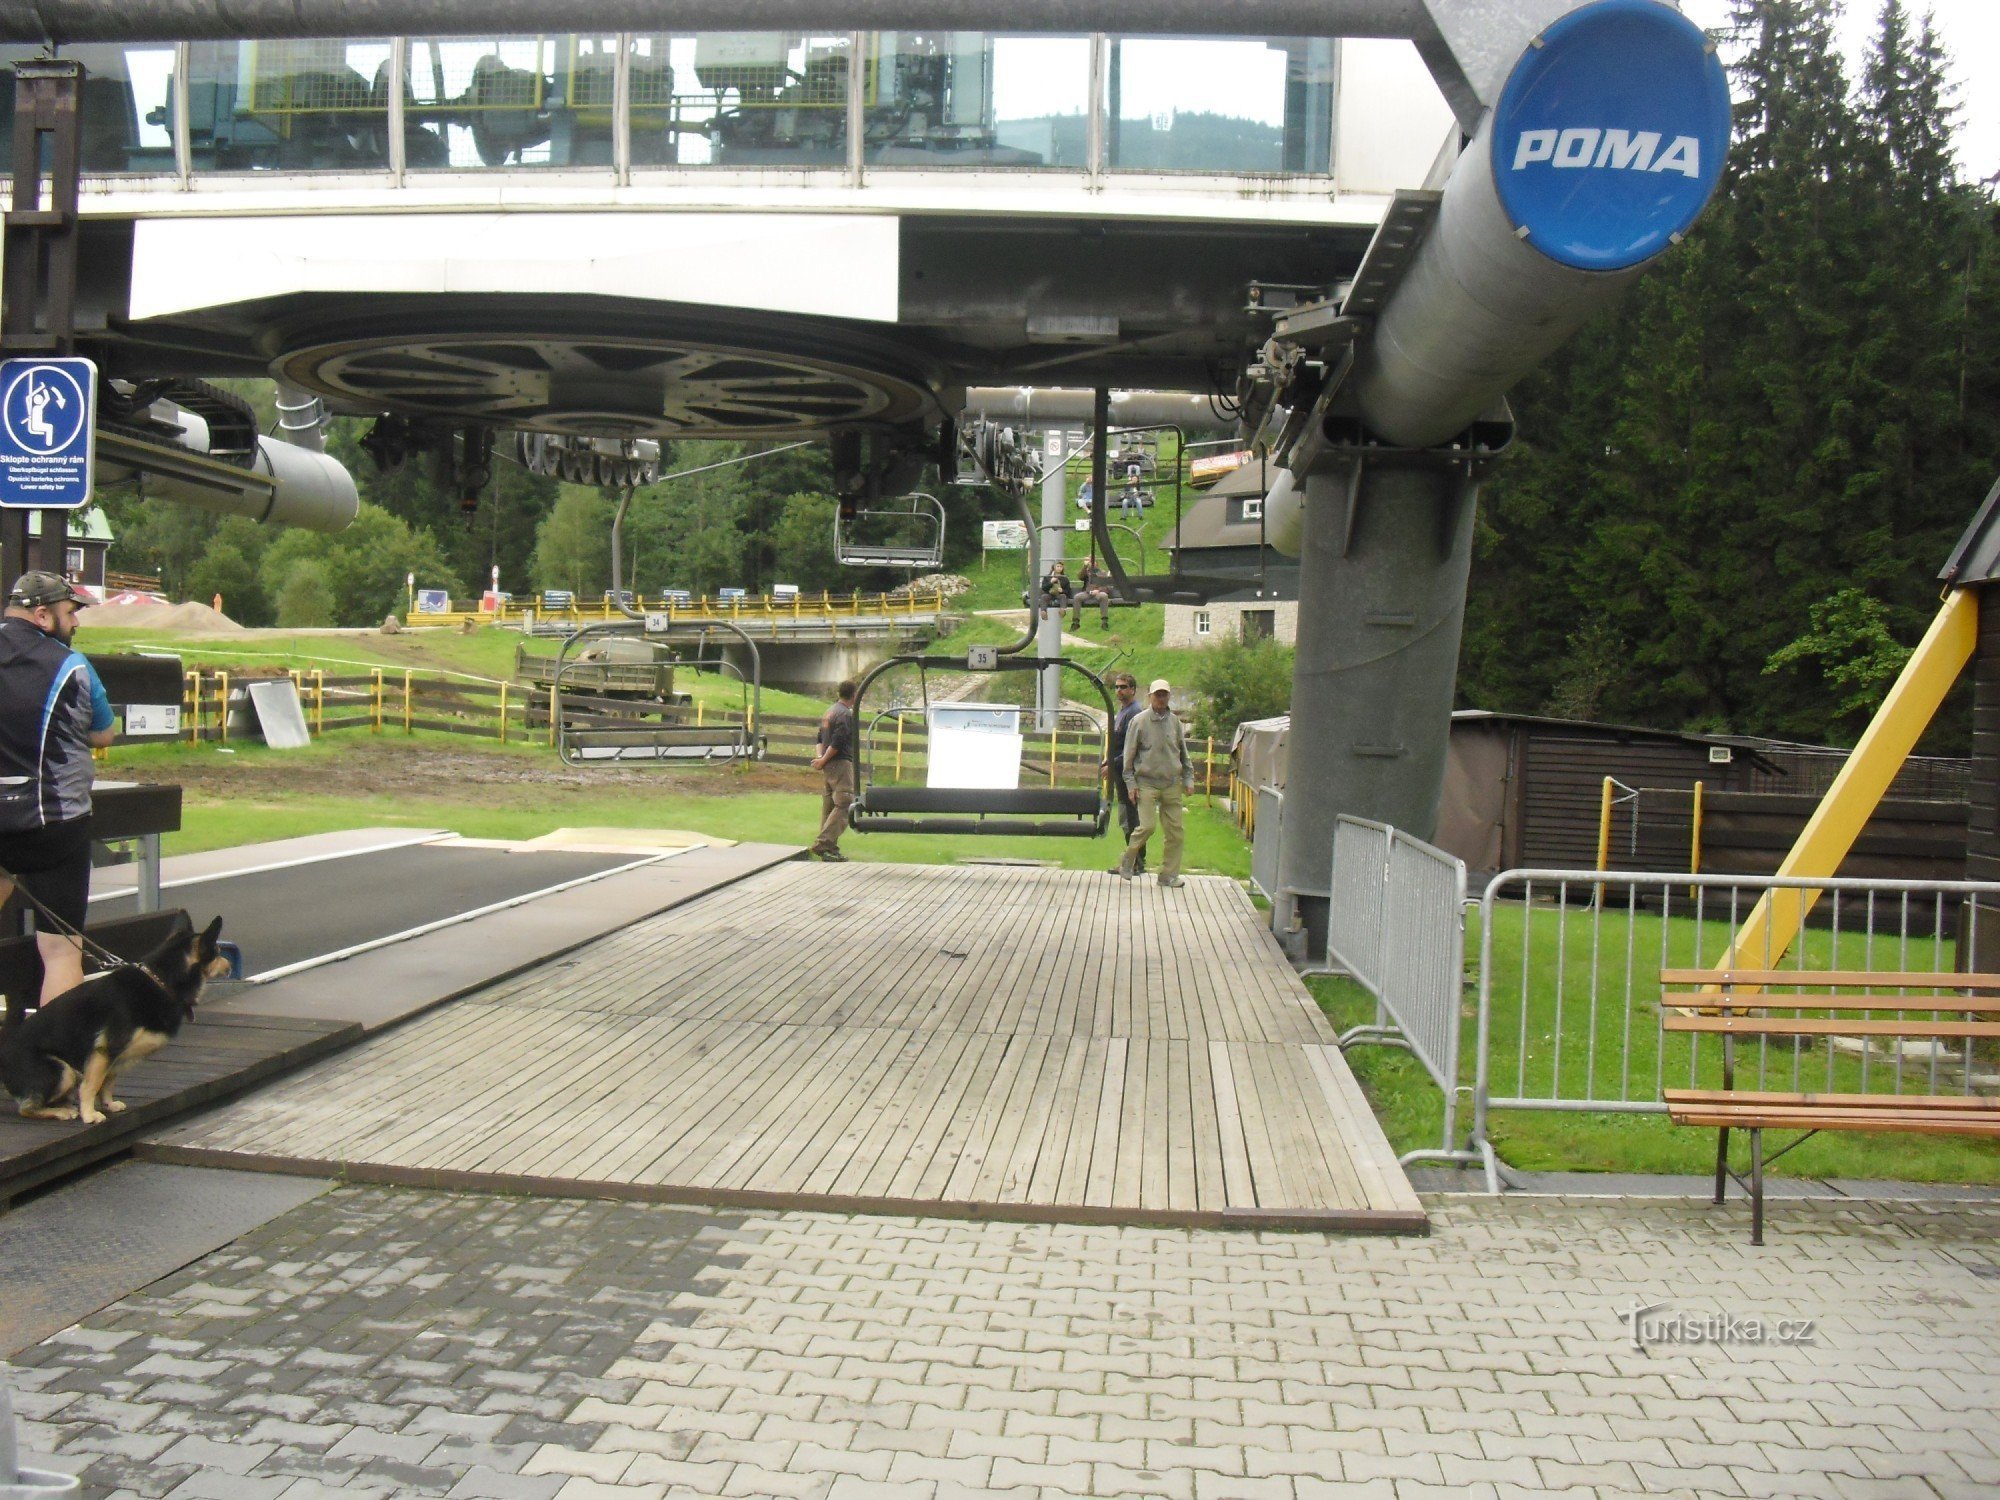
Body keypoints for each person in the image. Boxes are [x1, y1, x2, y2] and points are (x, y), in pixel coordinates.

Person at [0, 571, 116, 1007]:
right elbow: (104, 735)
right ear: (44, 616)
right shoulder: (72, 667)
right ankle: (52, 1059)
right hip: (54, 826)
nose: (77, 624)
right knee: (62, 952)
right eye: (71, 613)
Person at [1116, 678, 1195, 888]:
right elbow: (1128, 756)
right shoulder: (1139, 721)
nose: (1161, 698)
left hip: (1171, 783)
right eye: (1157, 694)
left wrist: (1188, 778)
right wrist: (1131, 784)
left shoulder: (1175, 723)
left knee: (1176, 832)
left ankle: (1168, 875)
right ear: (1150, 696)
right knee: (1148, 826)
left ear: (1169, 696)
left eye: (1164, 694)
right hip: (1146, 783)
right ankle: (1128, 857)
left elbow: (1184, 754)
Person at [809, 679, 858, 862]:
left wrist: (821, 759)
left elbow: (820, 737)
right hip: (840, 763)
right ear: (853, 695)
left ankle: (829, 849)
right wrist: (825, 759)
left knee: (829, 806)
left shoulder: (829, 712)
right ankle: (824, 843)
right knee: (845, 803)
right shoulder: (845, 714)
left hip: (828, 765)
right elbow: (838, 742)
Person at [1102, 673, 1145, 875]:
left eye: (1124, 687)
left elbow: (1131, 748)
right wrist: (1108, 761)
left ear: (1133, 690)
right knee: (1127, 817)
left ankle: (1135, 862)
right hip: (1120, 769)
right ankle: (1133, 860)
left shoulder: (1134, 713)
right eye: (1117, 687)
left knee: (1131, 818)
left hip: (1129, 772)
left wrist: (1113, 764)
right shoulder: (1123, 711)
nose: (1119, 691)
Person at [1070, 561, 1113, 631]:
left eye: (1093, 562)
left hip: (1099, 592)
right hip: (1088, 592)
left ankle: (1104, 622)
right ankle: (1075, 622)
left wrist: (1098, 590)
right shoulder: (1087, 572)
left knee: (1104, 596)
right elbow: (1080, 577)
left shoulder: (1102, 572)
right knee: (1077, 597)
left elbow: (1107, 585)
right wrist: (1085, 566)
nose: (1092, 564)